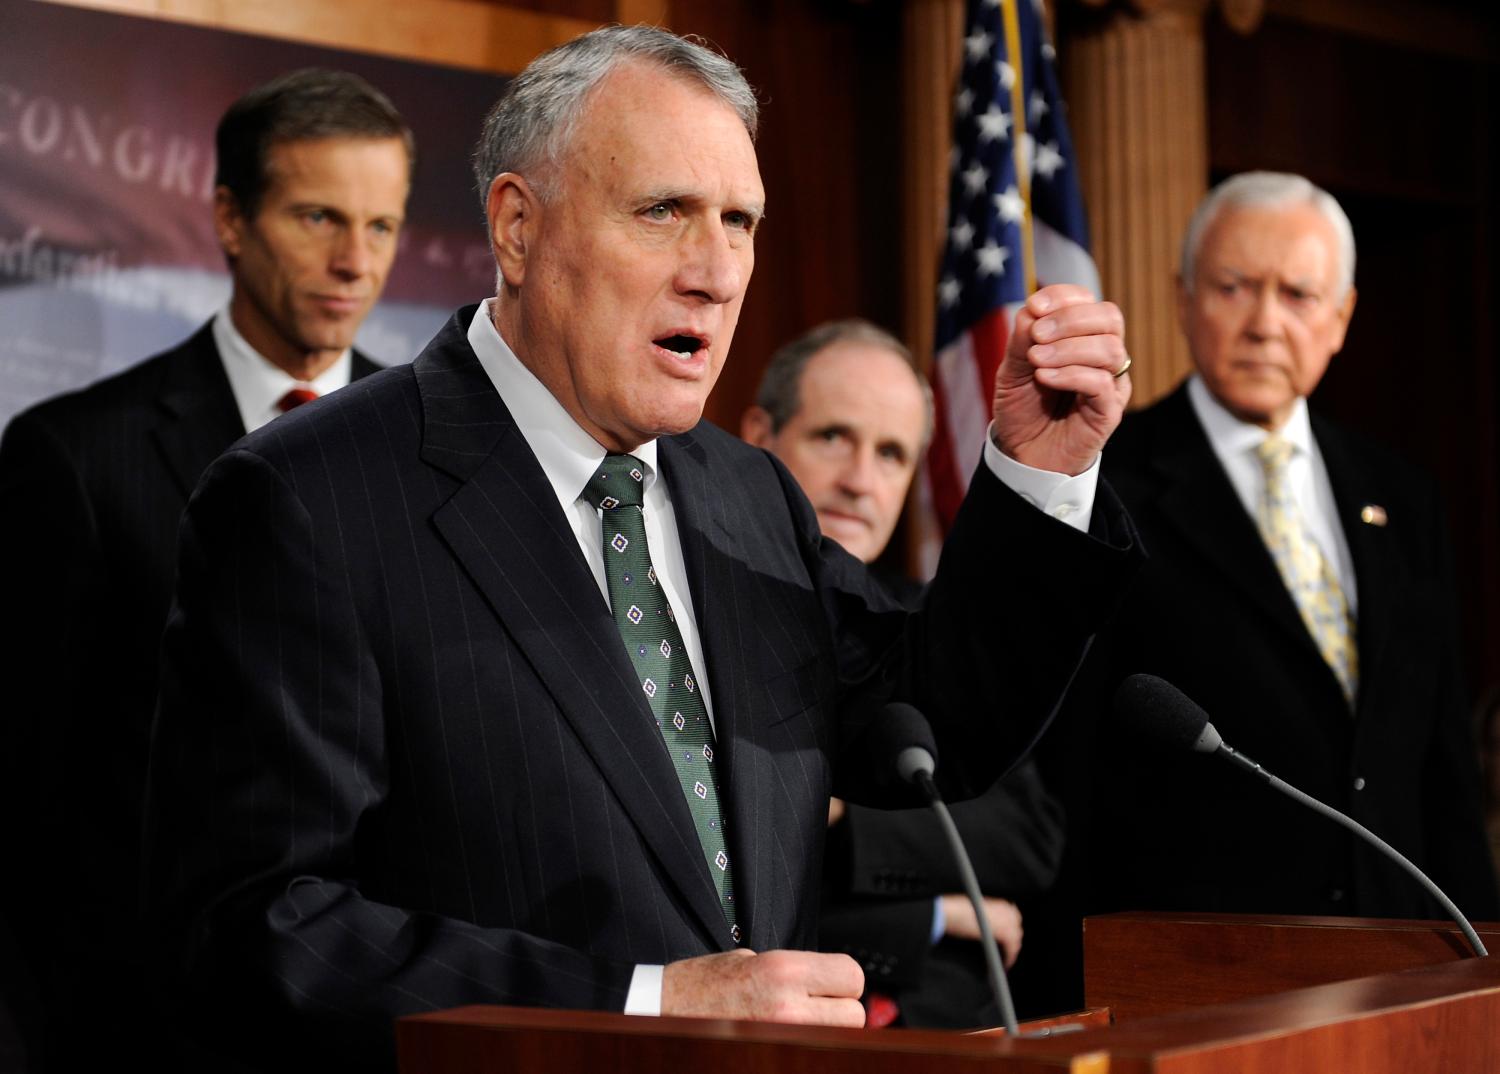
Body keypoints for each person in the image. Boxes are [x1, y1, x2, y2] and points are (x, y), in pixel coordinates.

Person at [141, 26, 1138, 1070]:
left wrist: (1035, 470)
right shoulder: (306, 500)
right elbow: (254, 928)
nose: (714, 273)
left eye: (740, 222)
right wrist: (643, 1006)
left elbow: (941, 714)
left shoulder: (748, 496)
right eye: (664, 212)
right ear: (518, 229)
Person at [0, 68, 412, 1071]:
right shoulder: (76, 456)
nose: (354, 262)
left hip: (378, 1028)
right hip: (139, 1031)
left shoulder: (438, 456)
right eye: (319, 217)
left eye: (384, 226)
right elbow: (22, 799)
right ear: (231, 218)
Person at [1032, 172, 1498, 1009]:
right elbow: (1065, 774)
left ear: (1342, 318)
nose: (1264, 322)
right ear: (1181, 298)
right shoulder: (1106, 483)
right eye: (1234, 287)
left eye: (1297, 293)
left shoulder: (1402, 493)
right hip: (1201, 974)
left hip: (1407, 974)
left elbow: (1442, 768)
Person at [742, 319, 1064, 1027]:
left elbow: (1026, 835)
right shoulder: (682, 610)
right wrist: (925, 916)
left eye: (890, 455)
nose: (860, 480)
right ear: (761, 435)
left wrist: (843, 814)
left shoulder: (924, 629)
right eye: (833, 438)